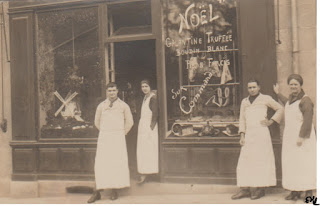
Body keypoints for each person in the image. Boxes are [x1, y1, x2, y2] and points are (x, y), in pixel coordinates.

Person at [231, 79, 283, 200]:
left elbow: (280, 109)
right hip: (249, 135)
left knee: (261, 161)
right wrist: (242, 134)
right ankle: (245, 189)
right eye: (250, 87)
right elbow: (242, 119)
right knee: (245, 161)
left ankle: (260, 189)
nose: (252, 89)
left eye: (254, 87)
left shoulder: (265, 98)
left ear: (259, 87)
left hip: (261, 135)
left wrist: (271, 121)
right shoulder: (245, 102)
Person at [87, 82, 134, 203]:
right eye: (109, 91)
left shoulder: (123, 106)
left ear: (117, 91)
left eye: (113, 90)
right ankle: (97, 192)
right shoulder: (101, 106)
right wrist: (105, 132)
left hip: (118, 138)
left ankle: (114, 190)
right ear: (106, 92)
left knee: (116, 163)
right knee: (101, 164)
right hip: (104, 138)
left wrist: (121, 133)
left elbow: (130, 122)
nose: (111, 93)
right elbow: (97, 122)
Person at [273, 74, 316, 200]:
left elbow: (308, 120)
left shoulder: (305, 100)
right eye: (291, 84)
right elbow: (287, 103)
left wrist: (301, 137)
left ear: (300, 85)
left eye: (295, 84)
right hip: (290, 137)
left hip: (303, 138)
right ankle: (295, 190)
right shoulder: (291, 98)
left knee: (305, 163)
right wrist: (277, 93)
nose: (293, 87)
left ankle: (309, 190)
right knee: (292, 163)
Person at [136, 80, 159, 184]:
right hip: (143, 126)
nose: (144, 88)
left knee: (150, 150)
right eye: (142, 86)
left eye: (146, 86)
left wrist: (151, 128)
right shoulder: (145, 98)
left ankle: (150, 173)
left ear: (150, 87)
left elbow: (155, 114)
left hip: (149, 127)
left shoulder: (153, 98)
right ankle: (144, 173)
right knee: (143, 150)